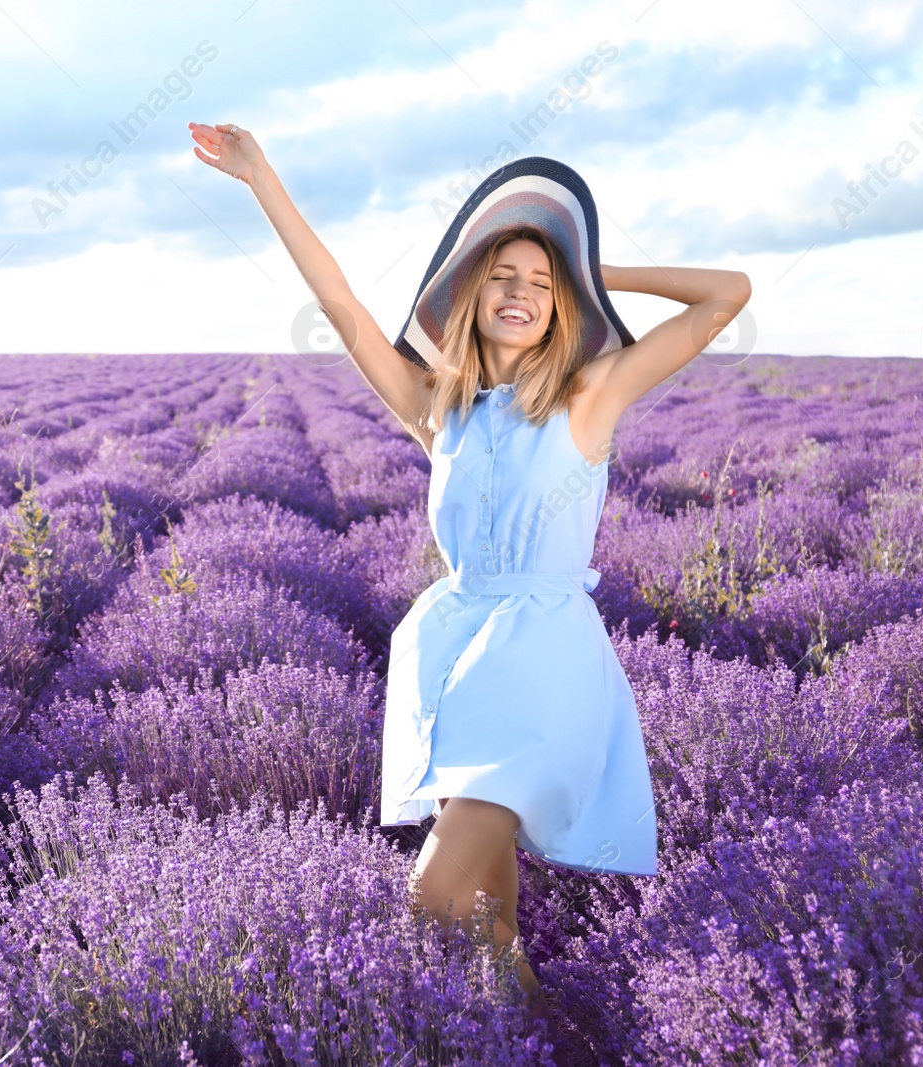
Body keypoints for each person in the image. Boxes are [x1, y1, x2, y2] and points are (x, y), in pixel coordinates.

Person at [187, 122, 751, 1030]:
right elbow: (342, 310)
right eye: (504, 276)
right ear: (470, 292)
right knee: (491, 928)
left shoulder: (588, 395)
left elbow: (728, 294)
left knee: (432, 898)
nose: (523, 293)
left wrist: (600, 274)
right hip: (456, 662)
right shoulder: (439, 411)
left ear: (562, 301)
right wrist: (261, 180)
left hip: (543, 669)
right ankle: (556, 1045)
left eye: (541, 281)